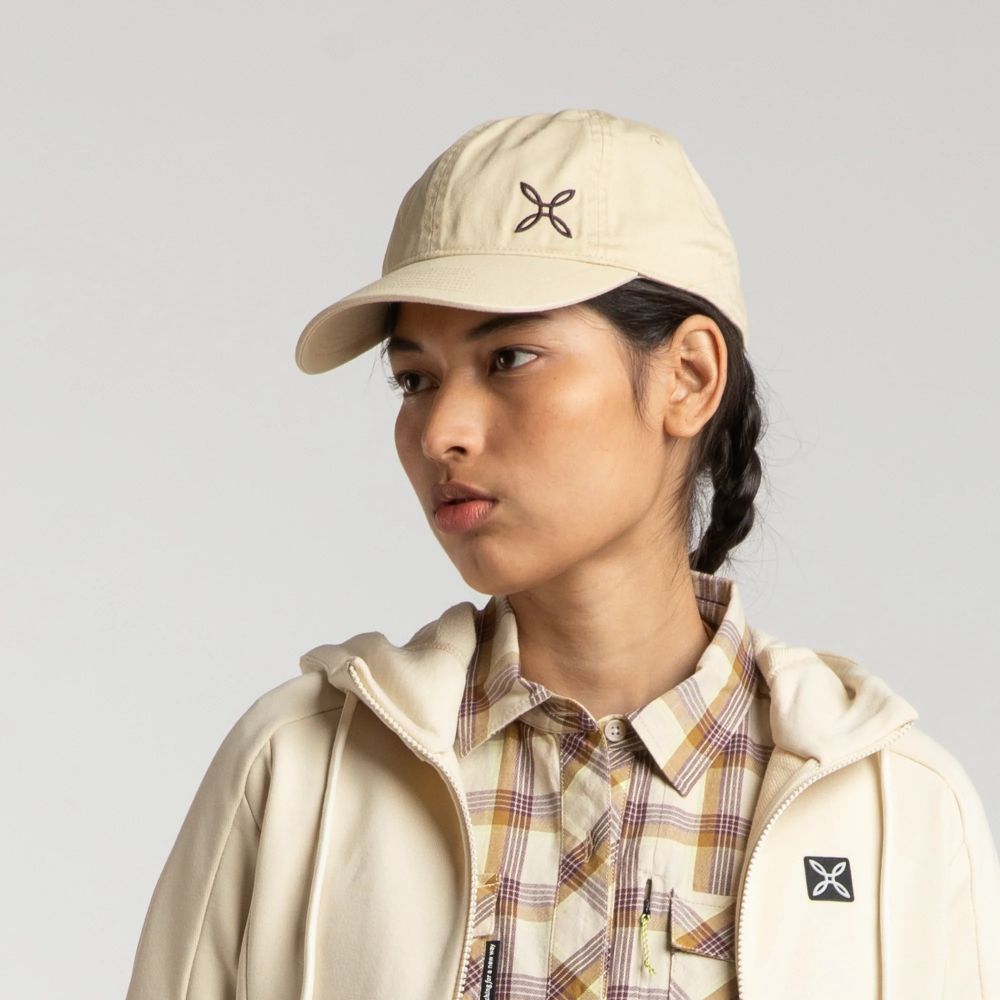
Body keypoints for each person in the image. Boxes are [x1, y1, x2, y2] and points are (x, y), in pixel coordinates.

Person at [125, 109, 1000, 1000]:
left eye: (509, 357)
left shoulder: (897, 811)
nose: (440, 432)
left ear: (689, 377)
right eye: (415, 379)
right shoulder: (298, 769)